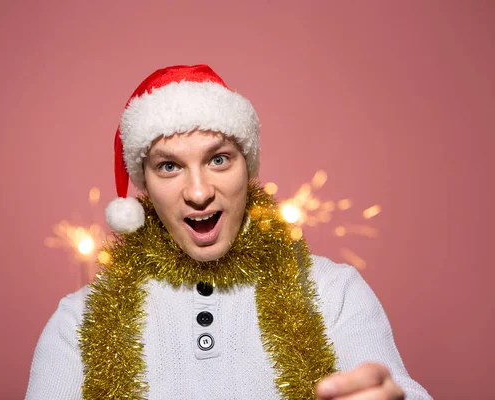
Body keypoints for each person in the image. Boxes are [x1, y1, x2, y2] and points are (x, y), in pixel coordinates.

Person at [26, 64, 431, 399]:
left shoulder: (334, 293)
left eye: (219, 159)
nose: (199, 192)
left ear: (248, 169)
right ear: (144, 187)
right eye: (169, 166)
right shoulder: (77, 321)